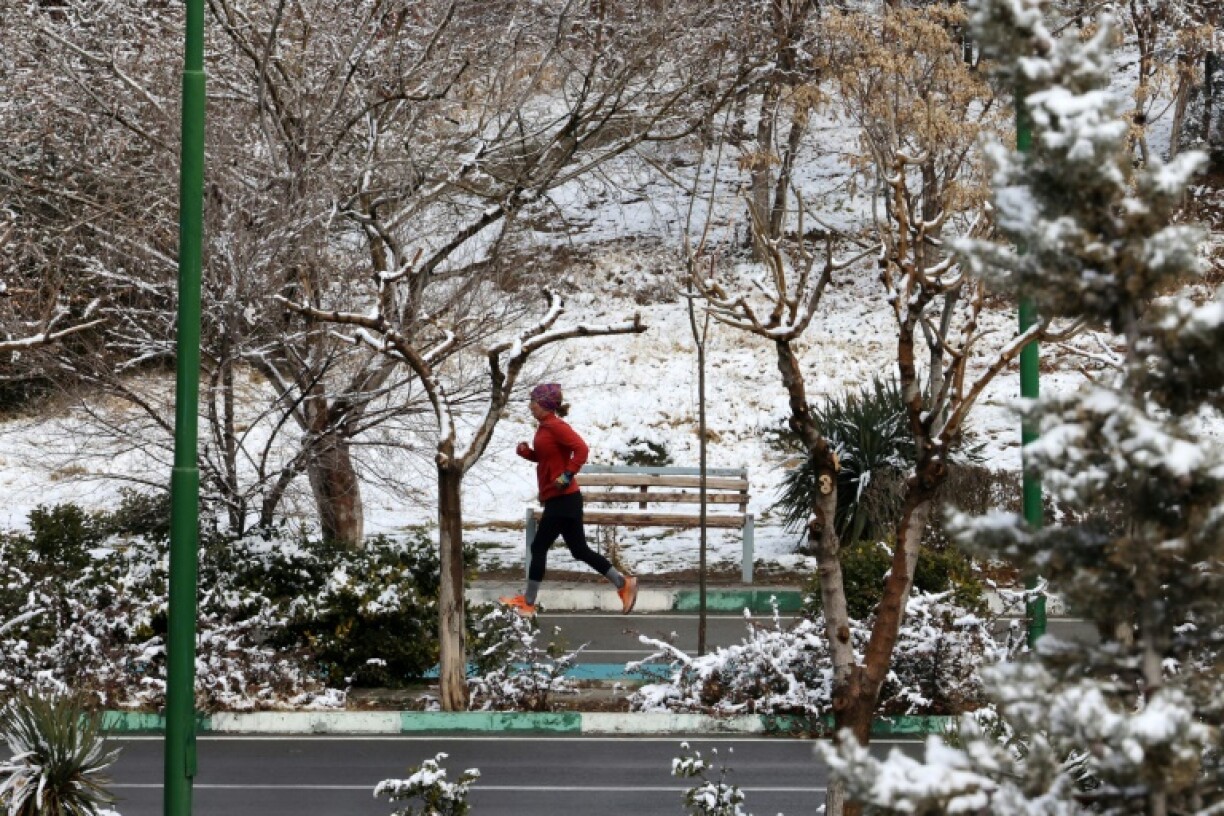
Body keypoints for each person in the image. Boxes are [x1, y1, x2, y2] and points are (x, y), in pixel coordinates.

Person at [499, 382, 638, 617]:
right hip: (563, 499)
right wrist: (527, 453)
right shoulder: (544, 427)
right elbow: (548, 457)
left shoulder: (555, 426)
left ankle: (528, 602)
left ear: (544, 405)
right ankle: (622, 584)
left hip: (563, 499)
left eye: (533, 401)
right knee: (579, 550)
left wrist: (567, 474)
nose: (530, 405)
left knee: (539, 546)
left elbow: (581, 449)